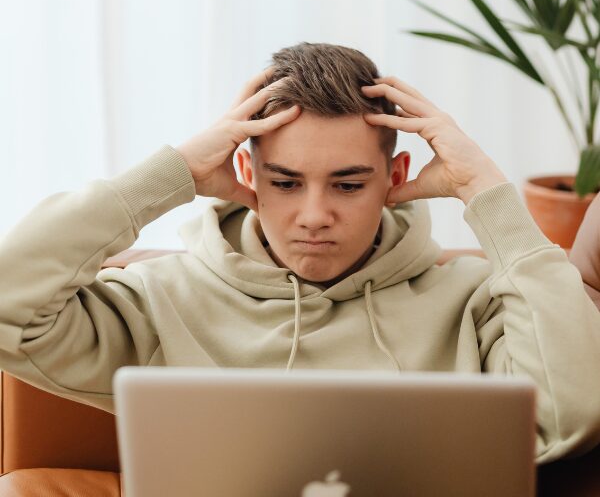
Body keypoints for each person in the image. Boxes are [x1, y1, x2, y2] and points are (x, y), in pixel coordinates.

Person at [1, 41, 600, 466]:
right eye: (286, 183)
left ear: (394, 178)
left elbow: (571, 415)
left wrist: (487, 191)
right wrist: (171, 174)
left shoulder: (471, 302)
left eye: (348, 184)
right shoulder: (161, 301)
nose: (315, 215)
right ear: (245, 170)